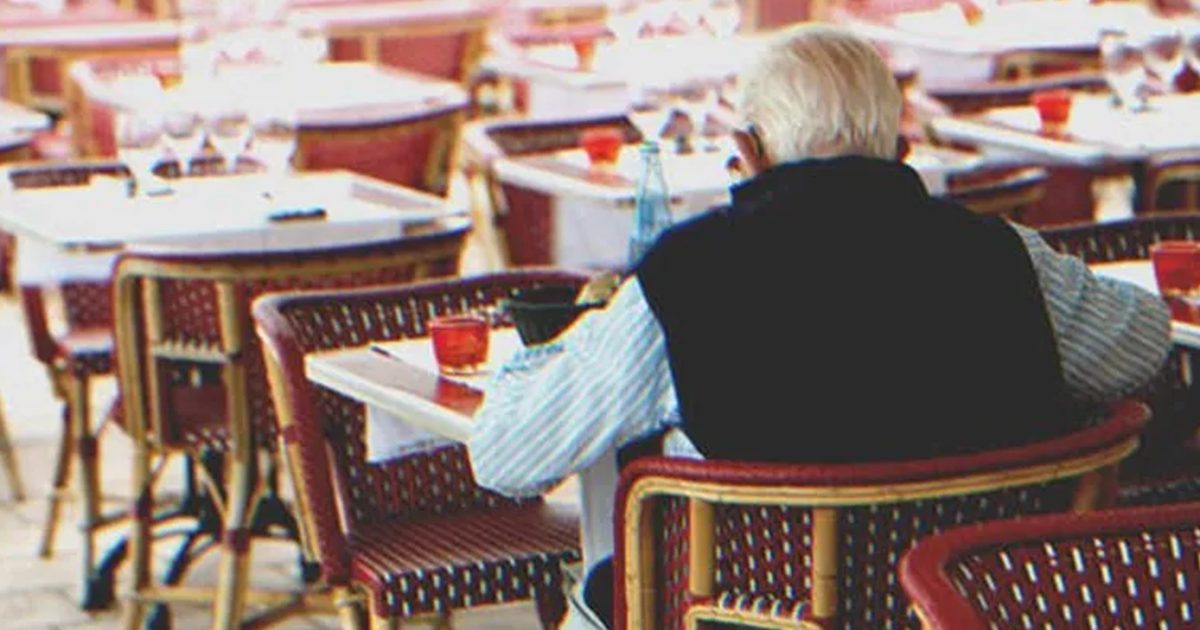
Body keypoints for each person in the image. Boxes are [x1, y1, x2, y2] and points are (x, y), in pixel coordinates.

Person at [468, 24, 1171, 628]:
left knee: (612, 583)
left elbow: (507, 455)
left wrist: (556, 344)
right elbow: (1144, 344)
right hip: (970, 605)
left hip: (752, 615)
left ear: (748, 150)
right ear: (900, 149)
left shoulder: (688, 277)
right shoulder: (1002, 256)